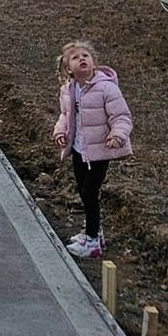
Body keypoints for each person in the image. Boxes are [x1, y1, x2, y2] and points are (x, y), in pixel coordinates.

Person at [52, 39, 131, 260]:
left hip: (99, 150)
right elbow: (66, 116)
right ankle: (95, 231)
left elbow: (122, 116)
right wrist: (60, 132)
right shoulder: (68, 90)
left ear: (94, 63)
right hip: (78, 149)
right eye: (76, 58)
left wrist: (117, 135)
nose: (82, 59)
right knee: (83, 191)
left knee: (89, 192)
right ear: (69, 69)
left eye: (86, 56)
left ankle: (93, 241)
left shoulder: (106, 87)